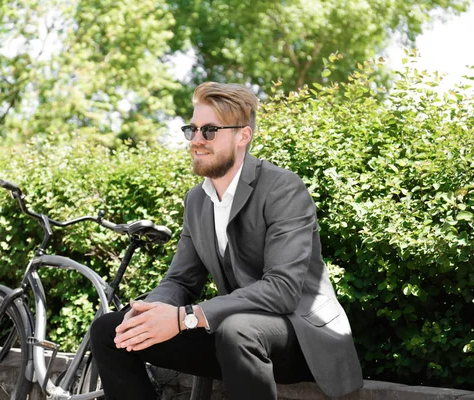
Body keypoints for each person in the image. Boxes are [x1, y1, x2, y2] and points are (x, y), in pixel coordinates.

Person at [90, 82, 363, 400]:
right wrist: (149, 311)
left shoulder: (283, 189)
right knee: (112, 330)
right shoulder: (197, 200)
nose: (195, 140)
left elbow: (283, 290)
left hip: (302, 336)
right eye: (191, 130)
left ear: (242, 136)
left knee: (238, 330)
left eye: (208, 131)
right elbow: (180, 281)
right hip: (234, 336)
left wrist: (184, 317)